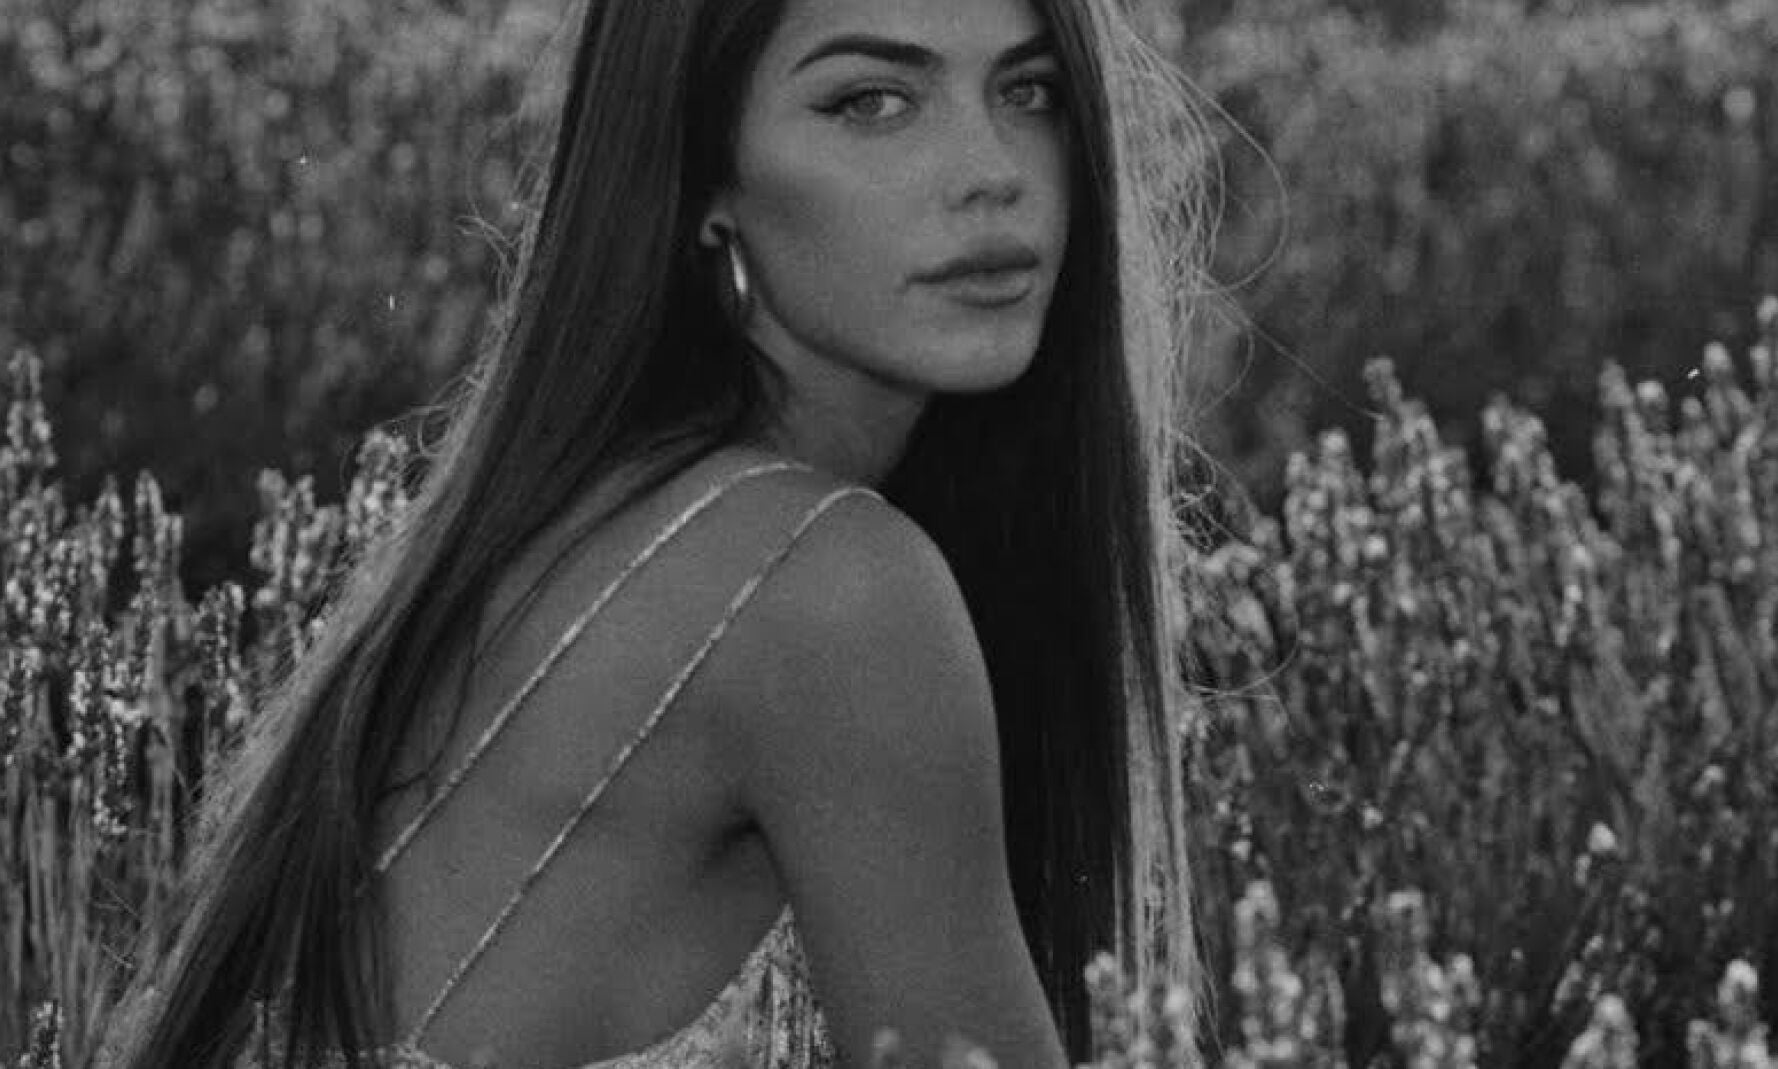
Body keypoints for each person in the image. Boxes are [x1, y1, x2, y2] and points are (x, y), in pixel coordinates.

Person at [94, 0, 1222, 1066]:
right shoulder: (826, 593)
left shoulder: (590, 522)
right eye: (871, 101)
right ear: (703, 178)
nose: (993, 172)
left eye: (1030, 92)